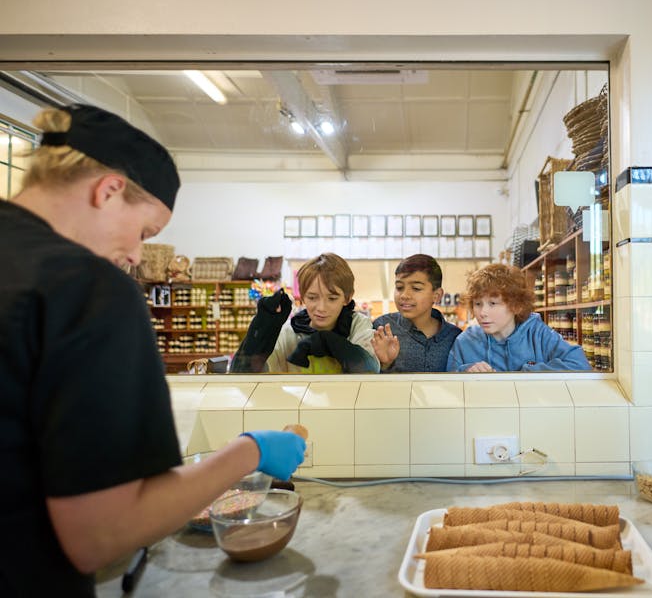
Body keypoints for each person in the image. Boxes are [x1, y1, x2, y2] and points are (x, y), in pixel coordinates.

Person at [0, 103, 306, 597]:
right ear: (109, 190)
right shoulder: (85, 288)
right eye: (144, 232)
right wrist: (249, 453)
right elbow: (100, 535)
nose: (138, 256)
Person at [231, 252, 380, 373]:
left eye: (332, 298)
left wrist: (329, 341)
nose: (321, 307)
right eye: (312, 297)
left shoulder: (357, 325)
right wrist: (259, 334)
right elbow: (243, 376)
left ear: (347, 298)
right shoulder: (289, 333)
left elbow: (369, 371)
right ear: (302, 297)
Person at [446, 263, 591, 372]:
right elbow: (448, 387)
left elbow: (580, 365)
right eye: (477, 304)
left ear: (516, 306)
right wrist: (464, 372)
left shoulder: (538, 334)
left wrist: (525, 374)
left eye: (493, 303)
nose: (482, 312)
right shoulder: (465, 342)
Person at [371, 254, 462, 372]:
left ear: (437, 295)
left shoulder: (455, 337)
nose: (404, 295)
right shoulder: (381, 329)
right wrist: (385, 364)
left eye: (416, 288)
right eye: (399, 287)